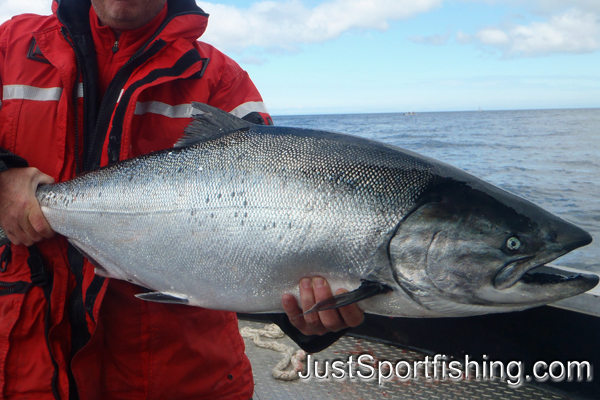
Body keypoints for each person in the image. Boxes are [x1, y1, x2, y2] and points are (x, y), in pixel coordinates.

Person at [0, 1, 364, 399]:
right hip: (22, 371)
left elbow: (272, 221)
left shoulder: (223, 82)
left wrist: (304, 314)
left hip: (180, 378)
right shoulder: (11, 46)